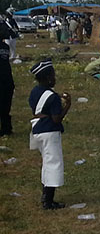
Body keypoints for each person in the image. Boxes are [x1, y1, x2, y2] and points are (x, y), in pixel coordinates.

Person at [28, 60, 70, 209]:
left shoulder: (34, 91)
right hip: (50, 131)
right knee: (53, 164)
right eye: (53, 75)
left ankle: (45, 195)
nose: (54, 78)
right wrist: (67, 105)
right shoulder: (53, 97)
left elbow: (35, 110)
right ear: (47, 78)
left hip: (37, 129)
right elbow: (56, 118)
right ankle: (48, 201)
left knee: (46, 163)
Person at [0, 14, 15, 136]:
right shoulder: (5, 47)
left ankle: (6, 128)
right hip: (6, 79)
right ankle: (6, 127)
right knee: (4, 105)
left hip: (4, 80)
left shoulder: (5, 46)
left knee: (4, 105)